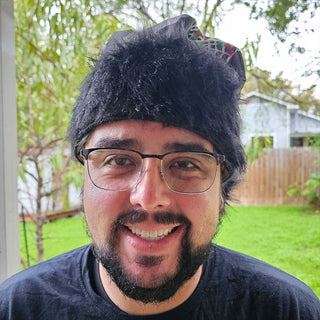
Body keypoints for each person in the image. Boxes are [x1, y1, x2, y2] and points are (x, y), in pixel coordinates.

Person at [0, 14, 319, 319]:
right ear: (84, 172)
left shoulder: (288, 310)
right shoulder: (15, 309)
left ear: (222, 185)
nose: (148, 196)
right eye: (118, 160)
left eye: (186, 163)